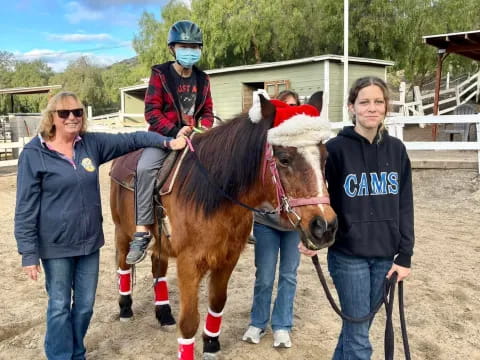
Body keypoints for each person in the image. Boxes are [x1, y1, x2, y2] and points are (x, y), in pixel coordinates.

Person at [14, 91, 186, 360]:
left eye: (77, 112)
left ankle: (77, 352)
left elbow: (134, 139)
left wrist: (167, 141)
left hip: (89, 243)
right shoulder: (34, 154)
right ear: (52, 118)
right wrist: (28, 252)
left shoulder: (90, 145)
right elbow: (25, 207)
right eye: (64, 113)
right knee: (59, 306)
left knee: (84, 306)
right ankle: (61, 356)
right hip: (55, 245)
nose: (72, 118)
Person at [300, 76, 415, 359]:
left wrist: (405, 255)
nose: (372, 108)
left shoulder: (397, 150)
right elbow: (318, 199)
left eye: (378, 102)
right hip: (348, 255)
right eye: (364, 102)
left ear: (386, 107)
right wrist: (311, 238)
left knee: (356, 331)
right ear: (352, 106)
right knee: (360, 339)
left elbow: (405, 205)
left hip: (385, 256)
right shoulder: (335, 150)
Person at [126, 19, 214, 265]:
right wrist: (175, 132)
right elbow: (152, 113)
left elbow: (207, 112)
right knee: (144, 169)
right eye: (184, 45)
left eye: (194, 46)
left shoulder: (203, 79)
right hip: (163, 137)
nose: (189, 50)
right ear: (172, 48)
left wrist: (202, 129)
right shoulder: (160, 74)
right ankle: (142, 231)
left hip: (195, 137)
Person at [242, 89, 314, 349]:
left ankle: (282, 325)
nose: (290, 112)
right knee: (264, 275)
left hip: (293, 224)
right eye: (286, 106)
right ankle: (258, 322)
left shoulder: (302, 150)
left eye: (295, 106)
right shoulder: (266, 148)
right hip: (266, 223)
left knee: (289, 275)